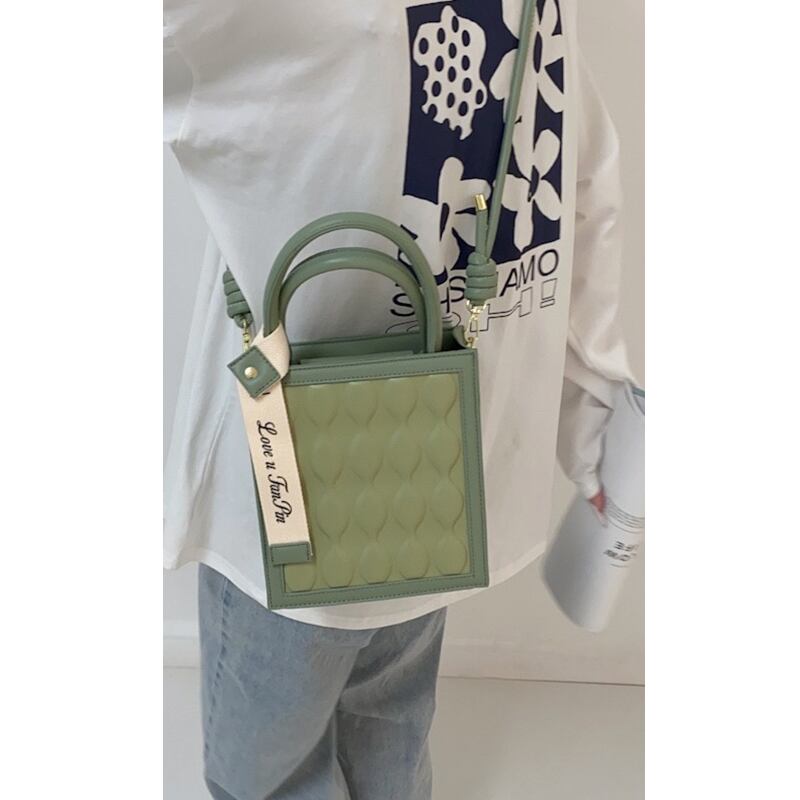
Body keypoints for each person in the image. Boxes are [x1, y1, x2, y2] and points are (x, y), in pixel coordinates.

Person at [164, 1, 635, 797]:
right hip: (439, 476)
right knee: (392, 733)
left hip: (288, 502)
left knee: (267, 775)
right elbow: (581, 179)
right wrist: (593, 426)